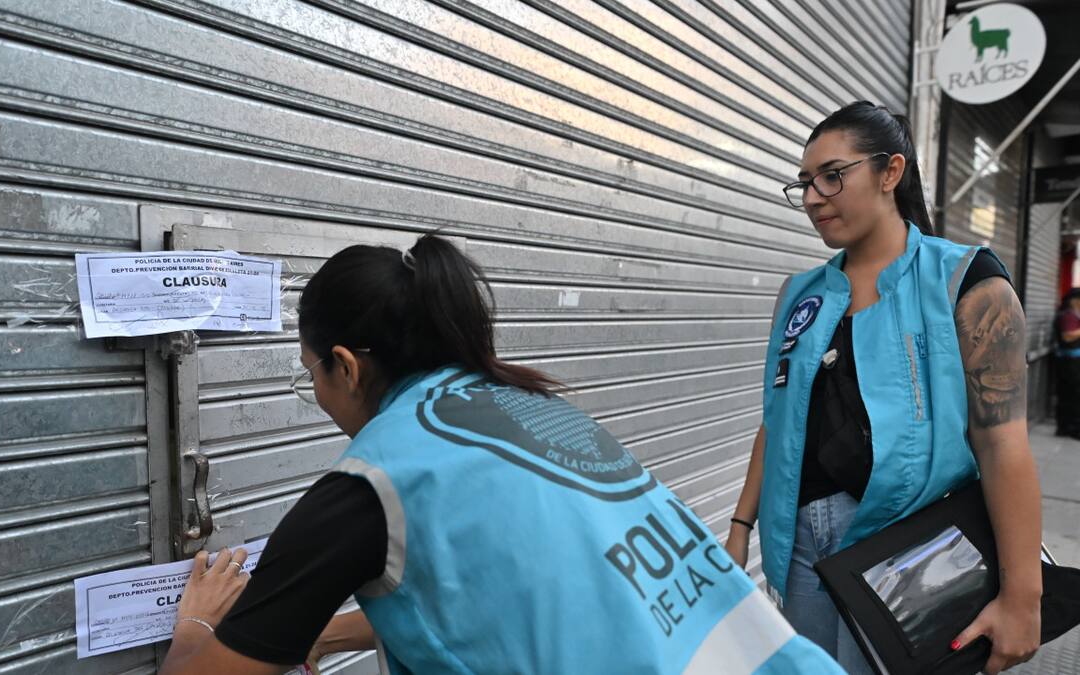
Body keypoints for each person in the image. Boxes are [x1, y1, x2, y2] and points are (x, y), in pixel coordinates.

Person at [159, 234, 845, 673]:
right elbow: (495, 596)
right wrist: (314, 634)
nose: (315, 389)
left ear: (345, 364)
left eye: (308, 372)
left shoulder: (370, 487)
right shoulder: (526, 415)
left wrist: (197, 623)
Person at [726, 101, 1043, 675]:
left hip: (915, 550)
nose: (813, 197)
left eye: (831, 175)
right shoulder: (799, 296)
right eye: (803, 183)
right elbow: (777, 421)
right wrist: (739, 530)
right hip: (800, 549)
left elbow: (1003, 445)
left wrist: (1024, 596)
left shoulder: (967, 281)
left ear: (890, 172)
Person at [1055, 289, 1080, 438]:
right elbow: (1067, 336)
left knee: (1070, 395)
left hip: (1071, 361)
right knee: (1072, 395)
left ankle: (1067, 427)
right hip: (1069, 362)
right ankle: (1070, 428)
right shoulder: (1068, 316)